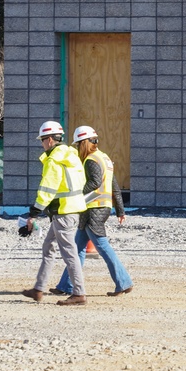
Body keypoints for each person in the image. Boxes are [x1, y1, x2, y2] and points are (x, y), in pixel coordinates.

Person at [53, 126, 134, 297]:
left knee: (102, 247)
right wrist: (120, 210)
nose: (76, 148)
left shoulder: (91, 160)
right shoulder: (104, 158)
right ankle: (65, 285)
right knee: (77, 248)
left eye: (77, 145)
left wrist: (74, 194)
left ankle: (124, 282)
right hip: (100, 208)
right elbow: (114, 187)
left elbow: (95, 183)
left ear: (83, 143)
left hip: (93, 209)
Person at [21, 121, 89, 306]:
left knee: (69, 253)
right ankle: (38, 289)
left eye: (42, 140)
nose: (42, 143)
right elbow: (80, 182)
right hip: (71, 209)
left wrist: (34, 213)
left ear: (50, 140)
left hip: (64, 212)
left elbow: (47, 188)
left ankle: (79, 293)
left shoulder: (53, 160)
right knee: (48, 246)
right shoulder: (71, 156)